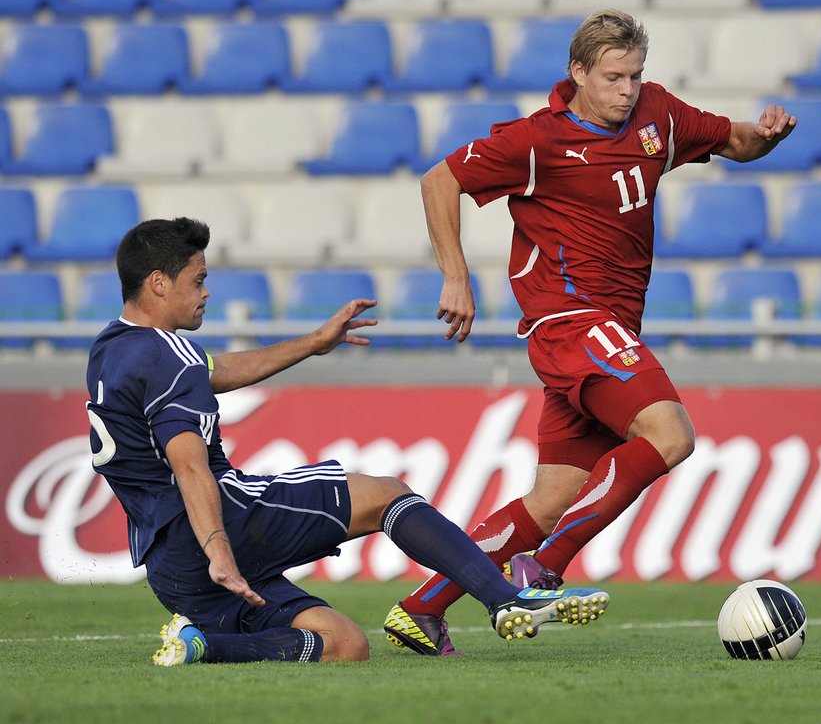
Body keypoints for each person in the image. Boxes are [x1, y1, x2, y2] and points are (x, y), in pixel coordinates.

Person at [383, 8, 796, 655]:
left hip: (605, 330)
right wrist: (455, 278)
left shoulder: (657, 113)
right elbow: (440, 180)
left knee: (549, 500)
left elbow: (732, 141)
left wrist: (765, 137)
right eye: (612, 77)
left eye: (634, 75)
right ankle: (543, 570)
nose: (626, 90)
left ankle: (422, 607)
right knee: (671, 434)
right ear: (577, 72)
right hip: (571, 320)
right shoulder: (536, 140)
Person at [87, 217, 610, 666]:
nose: (206, 291)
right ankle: (504, 600)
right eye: (198, 279)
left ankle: (202, 646)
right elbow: (190, 468)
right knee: (385, 494)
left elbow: (217, 370)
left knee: (344, 644)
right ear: (159, 283)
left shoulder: (113, 349)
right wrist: (218, 549)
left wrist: (313, 344)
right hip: (218, 524)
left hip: (170, 566)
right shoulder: (165, 355)